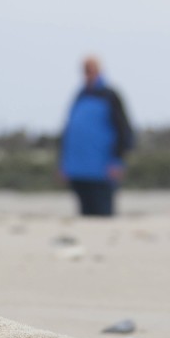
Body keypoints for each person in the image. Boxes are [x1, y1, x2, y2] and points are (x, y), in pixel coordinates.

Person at [58, 56, 134, 217]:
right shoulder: (80, 96)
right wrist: (64, 164)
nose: (88, 73)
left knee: (103, 214)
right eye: (85, 70)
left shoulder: (110, 95)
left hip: (102, 169)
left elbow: (124, 130)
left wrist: (117, 160)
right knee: (85, 215)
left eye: (91, 69)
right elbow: (69, 131)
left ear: (99, 70)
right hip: (78, 169)